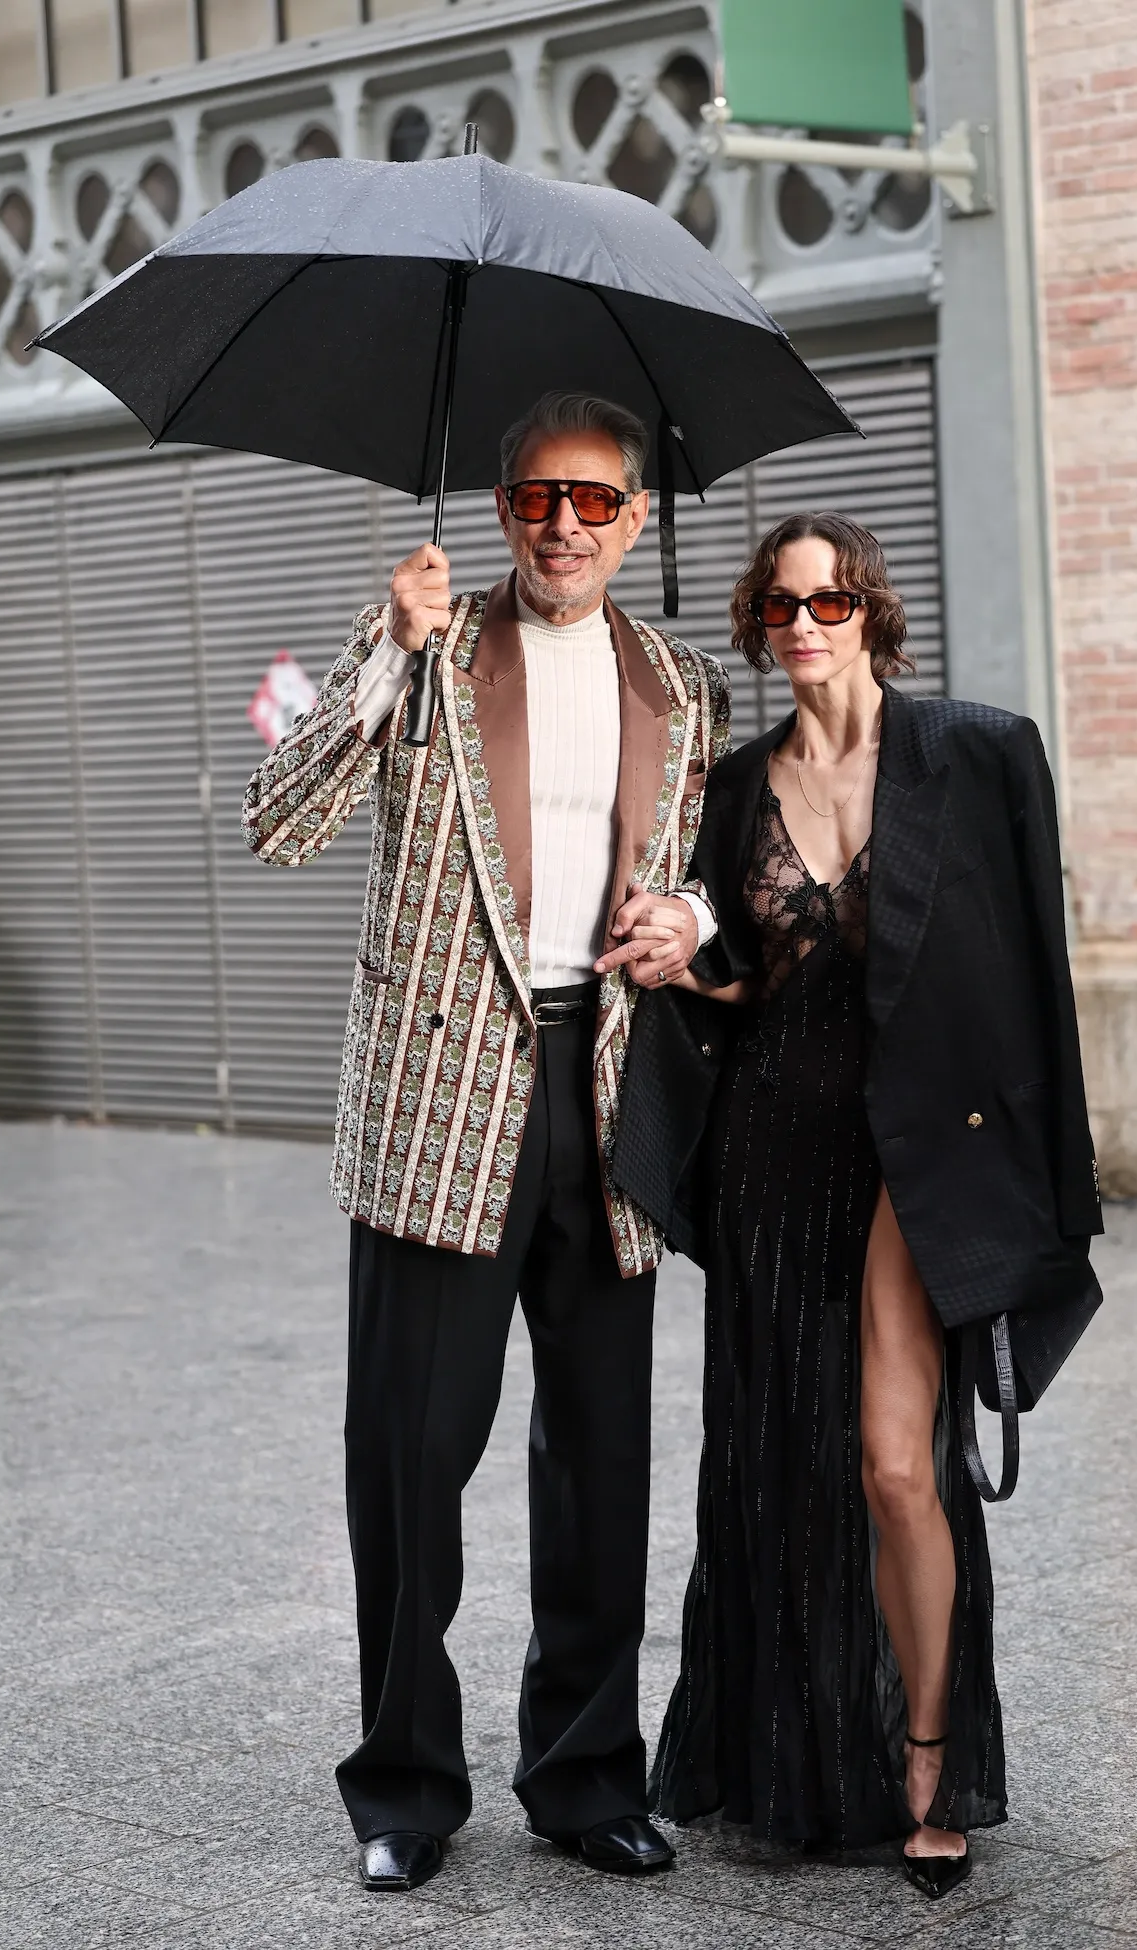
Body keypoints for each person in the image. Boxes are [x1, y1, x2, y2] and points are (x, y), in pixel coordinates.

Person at [242, 392, 730, 1892]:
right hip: (440, 1105)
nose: (562, 526)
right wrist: (386, 652)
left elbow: (709, 864)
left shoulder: (681, 681)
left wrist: (692, 915)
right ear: (502, 506)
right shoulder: (427, 645)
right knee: (409, 1456)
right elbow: (279, 819)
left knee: (600, 1457)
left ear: (634, 518)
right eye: (533, 498)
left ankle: (586, 1775)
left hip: (609, 1093)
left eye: (593, 501)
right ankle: (404, 1785)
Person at [602, 511, 1101, 1897]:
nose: (805, 627)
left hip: (917, 1155)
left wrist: (1054, 1181)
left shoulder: (977, 754)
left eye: (829, 602)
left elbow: (1036, 974)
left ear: (873, 612)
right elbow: (747, 973)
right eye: (780, 608)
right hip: (772, 1151)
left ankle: (930, 1752)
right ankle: (799, 1761)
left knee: (894, 1464)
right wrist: (684, 959)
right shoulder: (734, 785)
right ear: (760, 628)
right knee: (773, 1459)